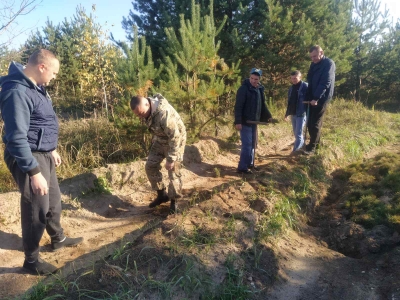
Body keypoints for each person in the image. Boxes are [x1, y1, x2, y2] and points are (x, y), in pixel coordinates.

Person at [0, 49, 83, 275]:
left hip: (43, 153)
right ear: (42, 67)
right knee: (36, 208)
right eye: (54, 73)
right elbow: (16, 138)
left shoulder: (36, 88)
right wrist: (34, 172)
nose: (54, 77)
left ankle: (58, 238)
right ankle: (31, 261)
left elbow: (40, 122)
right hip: (28, 156)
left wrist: (51, 148)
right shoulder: (17, 91)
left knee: (53, 201)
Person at [130, 93, 186, 213]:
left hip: (176, 140)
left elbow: (175, 137)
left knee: (173, 171)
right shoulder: (148, 110)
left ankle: (174, 201)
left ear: (147, 103)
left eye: (141, 113)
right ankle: (162, 195)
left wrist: (171, 159)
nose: (140, 116)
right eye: (137, 115)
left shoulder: (163, 113)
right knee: (150, 166)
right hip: (160, 139)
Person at [234, 68, 272, 174]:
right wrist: (238, 121)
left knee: (253, 144)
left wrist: (268, 116)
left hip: (255, 122)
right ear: (249, 77)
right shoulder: (243, 89)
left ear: (259, 79)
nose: (253, 81)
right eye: (252, 78)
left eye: (256, 79)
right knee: (247, 144)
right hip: (245, 122)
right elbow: (238, 106)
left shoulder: (260, 89)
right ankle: (242, 168)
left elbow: (263, 105)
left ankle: (250, 164)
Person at [304, 45, 336, 154]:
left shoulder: (329, 64)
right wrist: (308, 97)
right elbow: (310, 81)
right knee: (309, 123)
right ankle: (315, 143)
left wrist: (316, 98)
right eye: (311, 57)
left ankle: (313, 148)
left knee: (315, 123)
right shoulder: (313, 64)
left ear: (321, 53)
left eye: (315, 56)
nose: (313, 59)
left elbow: (325, 82)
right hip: (312, 97)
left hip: (322, 98)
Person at [284, 70, 308, 154]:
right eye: (292, 78)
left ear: (300, 77)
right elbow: (290, 102)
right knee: (296, 133)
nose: (294, 80)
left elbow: (309, 99)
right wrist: (287, 114)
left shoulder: (305, 86)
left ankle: (295, 152)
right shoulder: (291, 88)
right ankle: (301, 147)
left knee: (298, 133)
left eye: (295, 78)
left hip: (301, 113)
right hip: (293, 113)